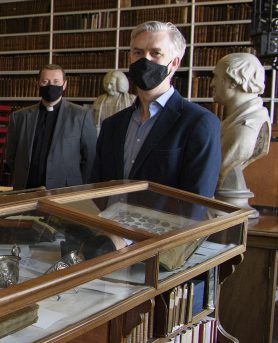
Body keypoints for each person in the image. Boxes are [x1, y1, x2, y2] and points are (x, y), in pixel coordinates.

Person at [91, 21, 221, 198]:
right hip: (109, 223)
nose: (145, 60)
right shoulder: (111, 125)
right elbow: (97, 188)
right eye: (138, 52)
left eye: (155, 53)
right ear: (130, 58)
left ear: (174, 63)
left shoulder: (200, 123)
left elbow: (197, 200)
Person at [4, 64, 96, 190]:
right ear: (38, 84)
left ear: (64, 85)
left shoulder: (81, 116)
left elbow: (90, 158)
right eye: (45, 81)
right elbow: (11, 157)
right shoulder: (19, 117)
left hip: (65, 191)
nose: (50, 86)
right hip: (26, 189)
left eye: (56, 82)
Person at [213, 53, 271, 212]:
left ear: (233, 81)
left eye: (216, 77)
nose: (212, 84)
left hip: (224, 209)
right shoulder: (233, 121)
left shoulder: (246, 128)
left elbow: (224, 162)